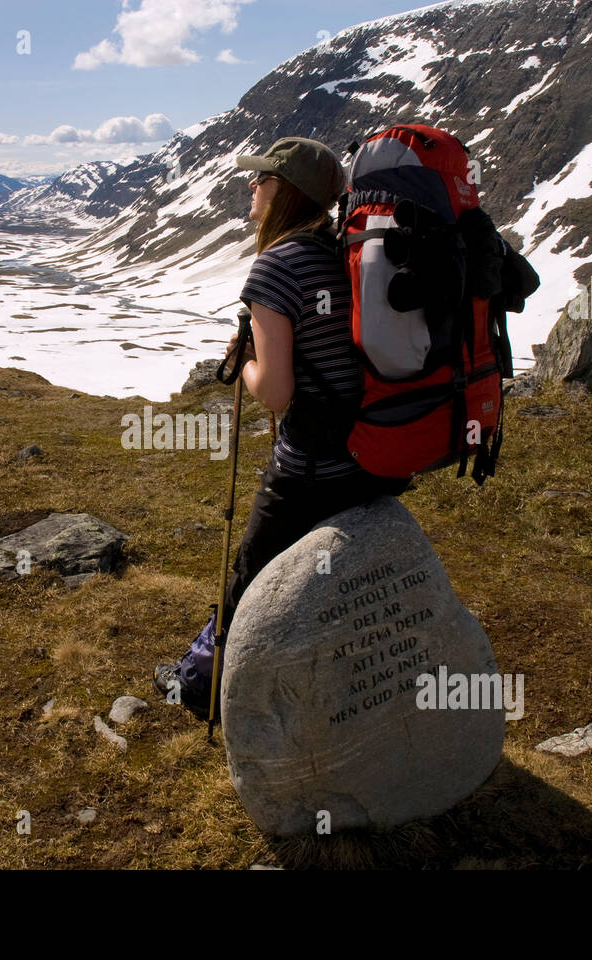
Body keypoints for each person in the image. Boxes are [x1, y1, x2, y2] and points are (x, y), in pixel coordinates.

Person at [153, 136, 411, 720]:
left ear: (287, 193)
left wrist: (242, 360)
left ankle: (198, 687)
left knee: (251, 575)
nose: (252, 186)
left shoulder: (278, 263)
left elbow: (274, 390)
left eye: (262, 178)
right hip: (374, 453)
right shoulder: (345, 253)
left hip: (312, 466)